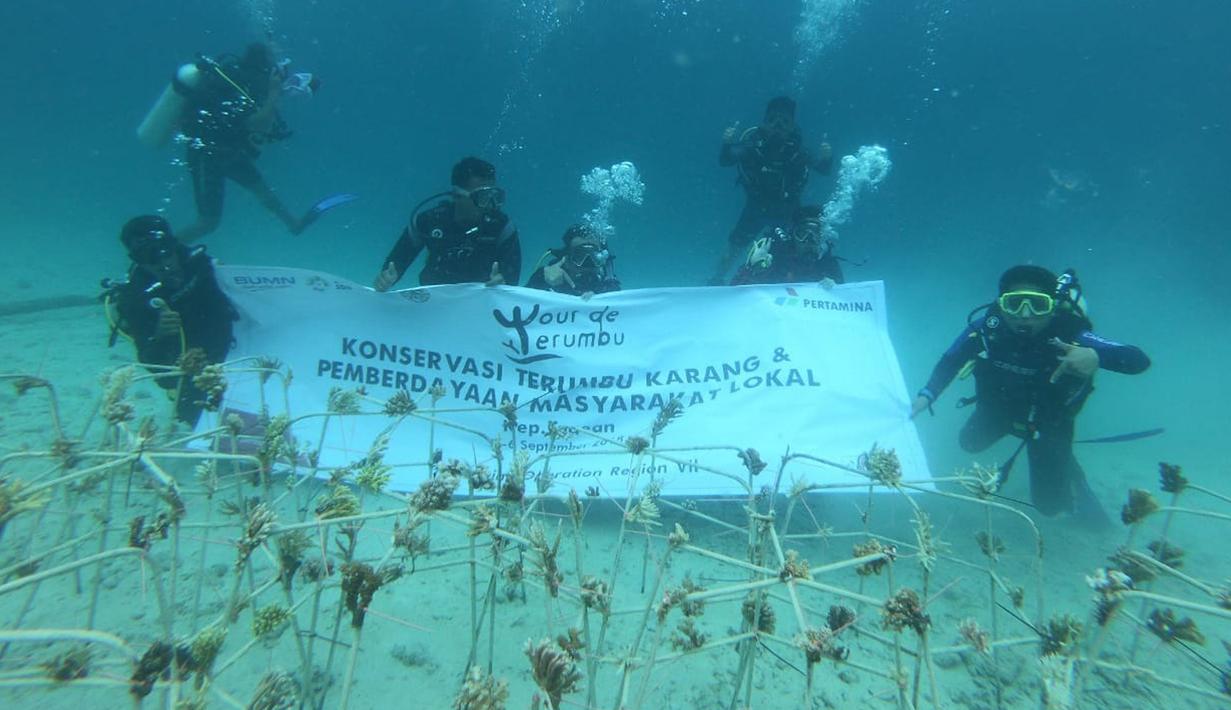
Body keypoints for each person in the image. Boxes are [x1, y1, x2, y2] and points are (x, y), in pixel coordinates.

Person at [910, 265, 1151, 523]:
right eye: (1014, 304)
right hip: (998, 411)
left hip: (1049, 422)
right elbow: (951, 360)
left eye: (1037, 305)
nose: (1025, 315)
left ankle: (1071, 473)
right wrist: (928, 395)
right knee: (969, 443)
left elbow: (1139, 360)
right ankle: (1053, 455)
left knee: (1050, 506)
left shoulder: (1071, 333)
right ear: (1001, 305)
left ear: (1052, 307)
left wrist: (1096, 355)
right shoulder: (988, 329)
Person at [169, 43, 349, 242]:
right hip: (207, 152)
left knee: (264, 192)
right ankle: (156, 258)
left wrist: (276, 91)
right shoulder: (247, 82)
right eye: (275, 57)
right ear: (265, 61)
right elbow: (259, 124)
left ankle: (293, 224)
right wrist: (273, 92)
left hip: (227, 151)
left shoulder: (245, 78)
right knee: (208, 222)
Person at [104, 215, 237, 426]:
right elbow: (157, 371)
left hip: (235, 347)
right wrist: (159, 334)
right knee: (196, 419)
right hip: (192, 373)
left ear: (174, 245)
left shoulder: (199, 263)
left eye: (166, 250)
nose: (164, 264)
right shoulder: (136, 298)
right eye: (149, 257)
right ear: (137, 260)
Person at [711, 96, 833, 283]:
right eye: (773, 120)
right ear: (764, 124)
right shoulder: (752, 147)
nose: (778, 125)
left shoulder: (798, 152)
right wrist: (726, 145)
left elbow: (823, 169)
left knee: (798, 247)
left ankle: (807, 280)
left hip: (789, 210)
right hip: (755, 208)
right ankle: (716, 279)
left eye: (785, 122)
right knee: (735, 246)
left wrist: (827, 158)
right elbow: (725, 160)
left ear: (792, 127)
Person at [373, 157, 521, 290]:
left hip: (480, 304)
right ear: (457, 195)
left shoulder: (502, 227)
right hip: (434, 301)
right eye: (482, 197)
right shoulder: (428, 221)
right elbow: (396, 262)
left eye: (493, 196)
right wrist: (387, 279)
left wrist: (504, 282)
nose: (490, 205)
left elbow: (512, 277)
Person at [730, 205, 843, 286]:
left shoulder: (828, 264)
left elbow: (845, 305)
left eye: (816, 234)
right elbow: (734, 293)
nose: (809, 240)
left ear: (822, 238)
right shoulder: (774, 257)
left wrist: (835, 289)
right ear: (793, 235)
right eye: (802, 234)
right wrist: (752, 269)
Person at [525, 223, 621, 297]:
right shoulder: (547, 278)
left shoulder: (608, 284)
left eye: (594, 256)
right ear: (566, 259)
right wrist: (541, 278)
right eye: (579, 255)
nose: (588, 262)